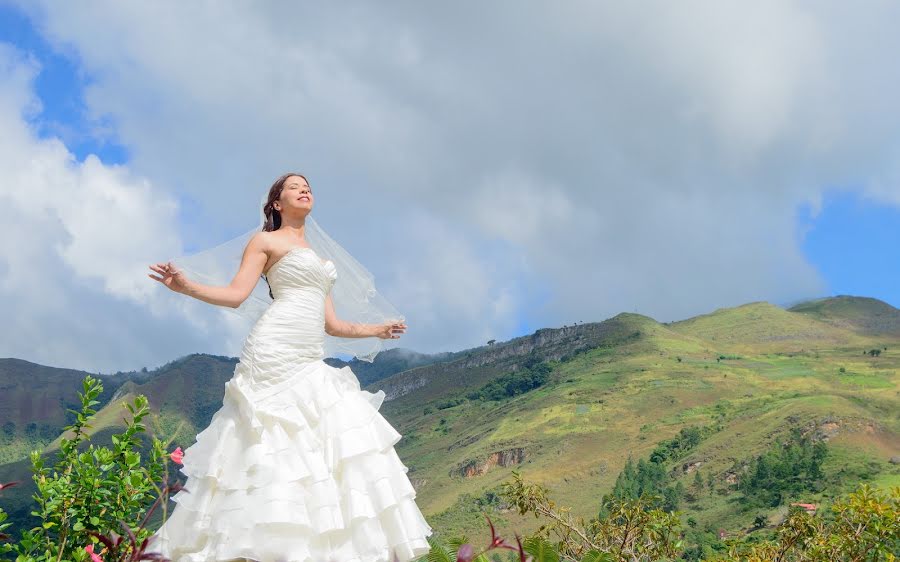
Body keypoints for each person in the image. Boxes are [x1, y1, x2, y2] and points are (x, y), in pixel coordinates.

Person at [145, 173, 433, 562]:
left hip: (309, 354)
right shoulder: (265, 242)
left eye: (308, 185)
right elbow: (235, 295)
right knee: (267, 438)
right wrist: (186, 287)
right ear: (277, 204)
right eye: (294, 186)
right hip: (273, 348)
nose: (304, 189)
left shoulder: (321, 260)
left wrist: (377, 329)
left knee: (328, 436)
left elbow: (333, 325)